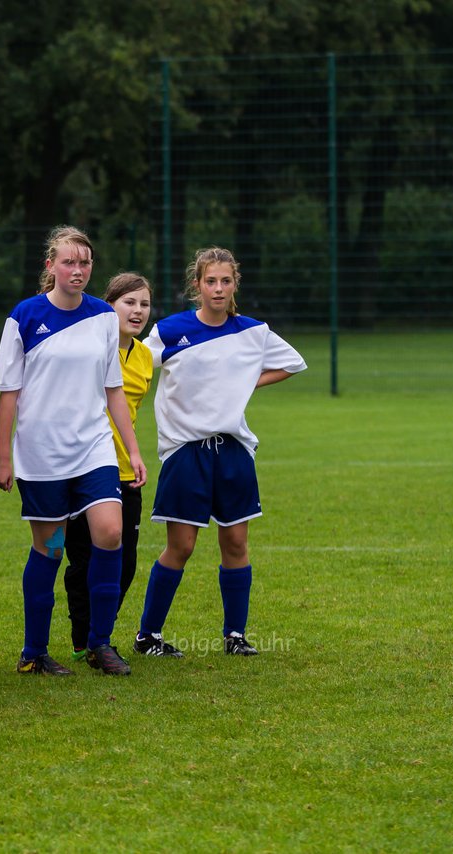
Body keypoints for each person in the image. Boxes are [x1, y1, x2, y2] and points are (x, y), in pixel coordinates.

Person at [134, 246, 306, 657]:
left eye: (225, 281)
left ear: (235, 285)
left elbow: (294, 362)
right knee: (182, 546)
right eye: (210, 281)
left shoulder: (253, 331)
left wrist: (246, 383)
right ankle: (148, 636)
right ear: (197, 285)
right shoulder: (170, 330)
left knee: (235, 544)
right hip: (185, 452)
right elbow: (134, 364)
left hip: (232, 451)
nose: (218, 288)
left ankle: (235, 636)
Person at [0, 226, 146, 676]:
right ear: (50, 266)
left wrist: (132, 451)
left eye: (85, 263)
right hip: (42, 454)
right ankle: (34, 653)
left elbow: (113, 389)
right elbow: (8, 393)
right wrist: (4, 456)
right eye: (69, 262)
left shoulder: (102, 316)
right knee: (52, 547)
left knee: (110, 533)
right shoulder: (24, 316)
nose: (78, 270)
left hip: (94, 449)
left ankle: (99, 643)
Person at [62, 273, 153, 664]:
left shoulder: (146, 356)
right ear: (109, 304)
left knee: (126, 561)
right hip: (83, 463)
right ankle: (87, 639)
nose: (137, 311)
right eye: (129, 302)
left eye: (144, 304)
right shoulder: (90, 346)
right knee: (82, 559)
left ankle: (101, 631)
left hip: (125, 468)